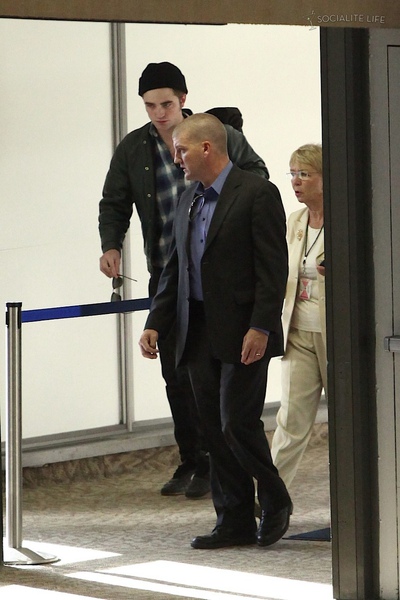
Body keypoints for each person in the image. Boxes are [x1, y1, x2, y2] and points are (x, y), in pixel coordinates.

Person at [98, 61, 270, 499]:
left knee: (226, 393)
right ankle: (194, 459)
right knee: (180, 377)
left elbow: (257, 182)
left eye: (166, 104)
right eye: (150, 105)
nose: (158, 113)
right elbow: (113, 201)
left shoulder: (219, 136)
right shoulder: (134, 149)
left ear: (183, 100)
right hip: (170, 274)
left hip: (222, 279)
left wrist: (221, 211)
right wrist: (111, 244)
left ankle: (237, 476)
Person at [139, 113, 292, 549]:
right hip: (197, 329)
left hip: (245, 330)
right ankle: (234, 520)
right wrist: (155, 322)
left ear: (207, 148)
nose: (175, 158)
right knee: (212, 429)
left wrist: (261, 326)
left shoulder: (257, 193)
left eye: (181, 149)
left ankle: (276, 497)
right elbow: (175, 270)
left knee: (235, 424)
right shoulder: (188, 199)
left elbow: (272, 269)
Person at [271, 143, 326, 489]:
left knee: (349, 421)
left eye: (304, 174)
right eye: (292, 173)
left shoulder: (348, 217)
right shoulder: (295, 221)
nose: (296, 181)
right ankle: (270, 499)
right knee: (290, 418)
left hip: (335, 332)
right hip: (296, 332)